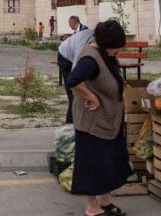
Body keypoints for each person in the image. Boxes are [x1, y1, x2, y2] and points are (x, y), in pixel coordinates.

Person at [66, 20, 131, 216]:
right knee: (93, 164)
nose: (118, 50)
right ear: (106, 44)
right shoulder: (91, 58)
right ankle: (92, 208)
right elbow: (73, 80)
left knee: (109, 162)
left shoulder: (105, 54)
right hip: (93, 122)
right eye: (117, 47)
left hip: (109, 119)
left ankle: (104, 201)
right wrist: (91, 96)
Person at [56, 27, 95, 123]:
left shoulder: (99, 39)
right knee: (74, 97)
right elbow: (75, 73)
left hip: (74, 54)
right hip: (66, 58)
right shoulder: (84, 43)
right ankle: (69, 128)